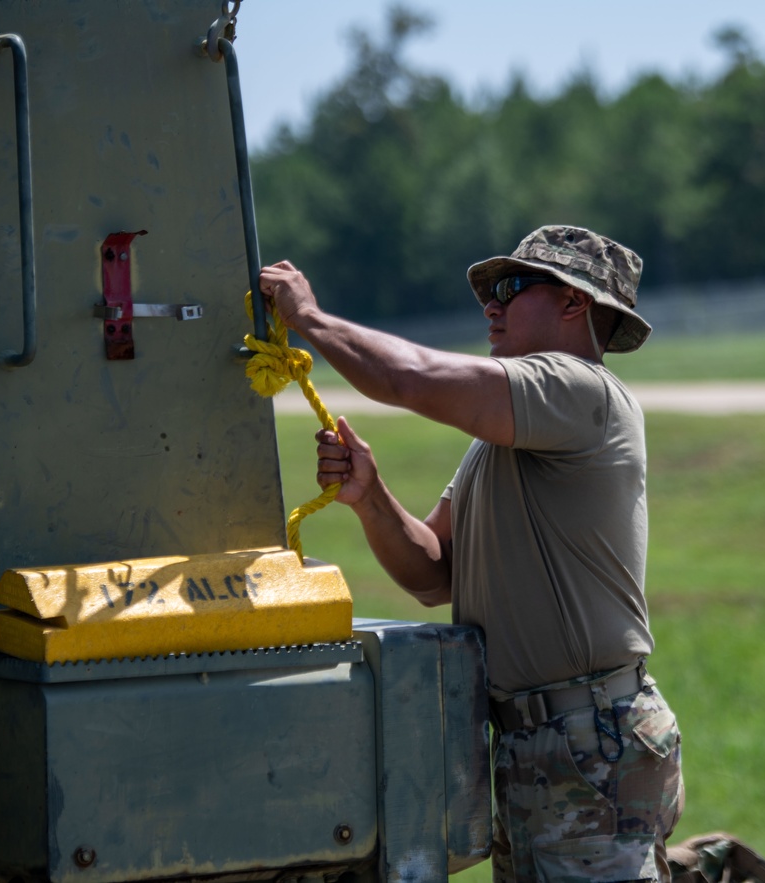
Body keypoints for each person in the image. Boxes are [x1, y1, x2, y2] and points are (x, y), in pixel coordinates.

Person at [259, 225, 684, 883]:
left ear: (574, 303)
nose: (492, 305)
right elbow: (432, 571)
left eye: (511, 288)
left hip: (585, 744)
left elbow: (408, 377)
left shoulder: (579, 391)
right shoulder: (505, 439)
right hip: (538, 747)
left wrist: (308, 318)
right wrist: (371, 498)